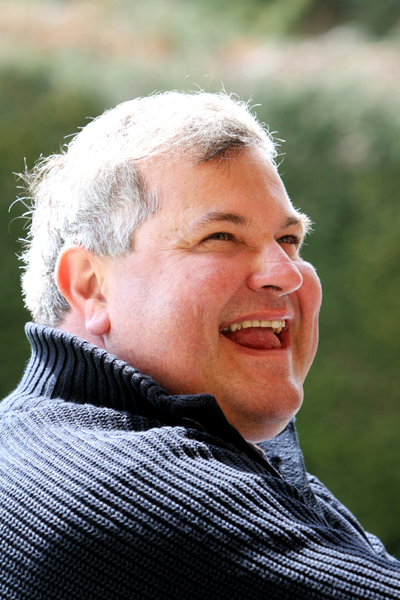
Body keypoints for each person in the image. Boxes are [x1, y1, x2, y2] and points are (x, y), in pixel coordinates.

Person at [0, 91, 398, 600]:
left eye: (289, 240)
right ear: (91, 286)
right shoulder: (136, 489)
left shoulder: (38, 447)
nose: (286, 274)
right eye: (221, 237)